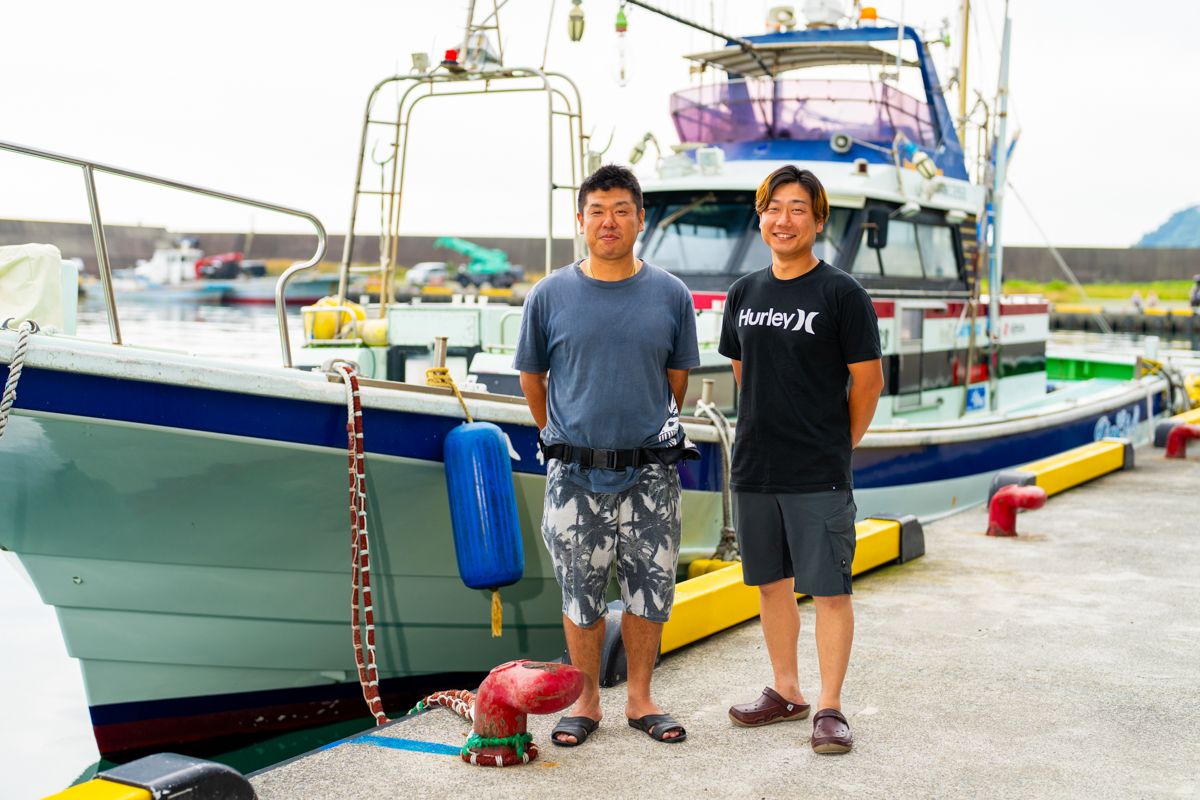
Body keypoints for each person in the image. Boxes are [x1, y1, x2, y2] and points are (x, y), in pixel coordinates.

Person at [514, 164, 700, 747]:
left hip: (651, 473)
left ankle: (642, 700)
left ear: (641, 219)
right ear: (580, 221)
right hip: (573, 474)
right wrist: (566, 438)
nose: (609, 221)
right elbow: (532, 380)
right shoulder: (548, 295)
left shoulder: (671, 295)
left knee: (650, 589)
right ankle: (587, 701)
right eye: (597, 211)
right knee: (580, 589)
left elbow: (676, 380)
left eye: (621, 209)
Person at [718, 165, 884, 754]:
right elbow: (744, 376)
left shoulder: (841, 293)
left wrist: (843, 442)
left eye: (797, 209)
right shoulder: (744, 293)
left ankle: (832, 707)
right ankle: (787, 693)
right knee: (771, 585)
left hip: (818, 469)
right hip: (756, 466)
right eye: (773, 208)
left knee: (831, 590)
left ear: (818, 220)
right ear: (761, 218)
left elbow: (868, 381)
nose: (783, 219)